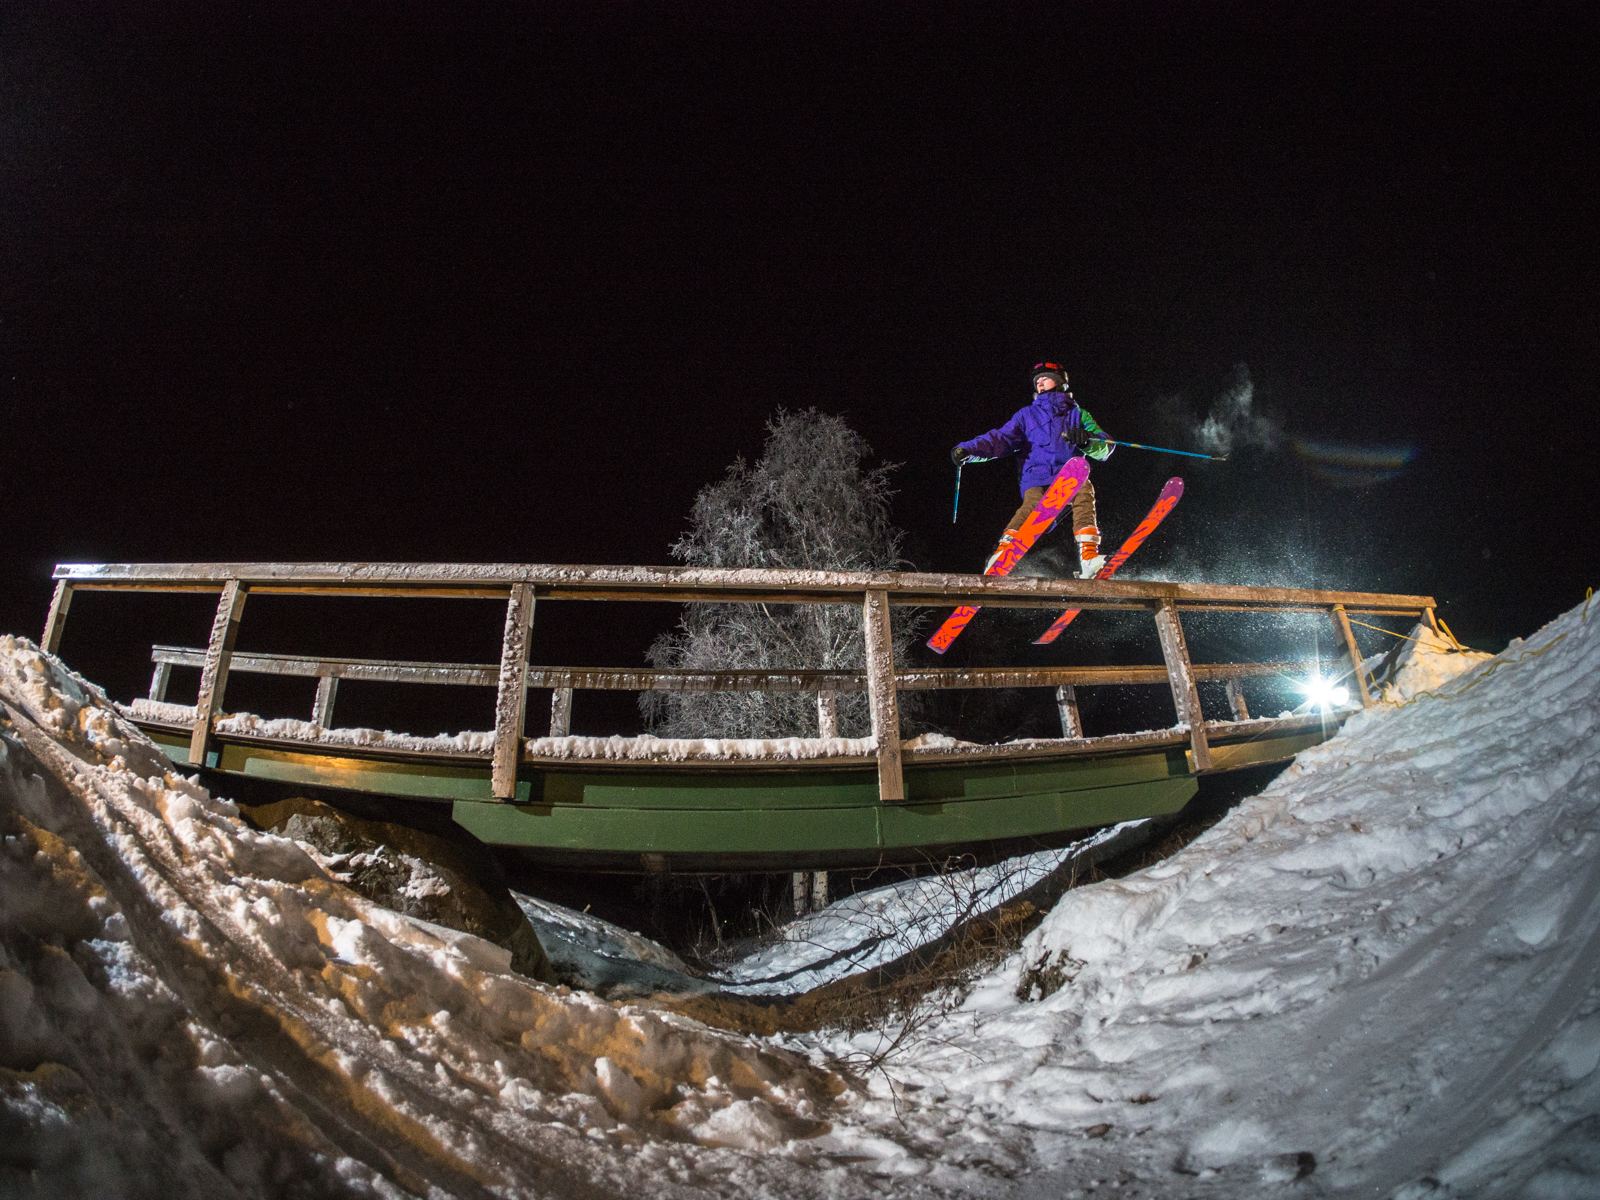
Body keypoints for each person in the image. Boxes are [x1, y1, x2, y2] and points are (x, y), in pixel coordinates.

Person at [951, 362, 1115, 578]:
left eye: (1045, 378)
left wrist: (1086, 440)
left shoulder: (1078, 415)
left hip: (1068, 474)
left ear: (1060, 382)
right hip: (1036, 476)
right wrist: (969, 450)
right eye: (1037, 381)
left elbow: (1105, 447)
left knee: (1084, 492)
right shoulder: (1027, 415)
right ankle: (1003, 551)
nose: (1039, 382)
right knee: (1032, 505)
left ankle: (1089, 557)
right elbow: (1001, 438)